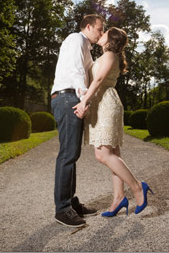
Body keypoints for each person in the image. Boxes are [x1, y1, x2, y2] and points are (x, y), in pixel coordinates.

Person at [78, 27, 153, 217]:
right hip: (101, 103)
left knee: (102, 154)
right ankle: (118, 198)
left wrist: (84, 100)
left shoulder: (111, 54)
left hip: (106, 104)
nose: (100, 34)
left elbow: (100, 78)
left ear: (111, 40)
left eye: (104, 33)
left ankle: (137, 187)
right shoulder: (105, 55)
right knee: (113, 155)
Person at [51, 14, 104, 227]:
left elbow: (90, 73)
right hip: (67, 97)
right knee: (68, 153)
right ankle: (62, 209)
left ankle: (71, 203)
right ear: (88, 26)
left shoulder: (86, 47)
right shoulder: (76, 39)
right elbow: (76, 70)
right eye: (100, 29)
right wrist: (82, 100)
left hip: (70, 96)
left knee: (73, 152)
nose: (101, 33)